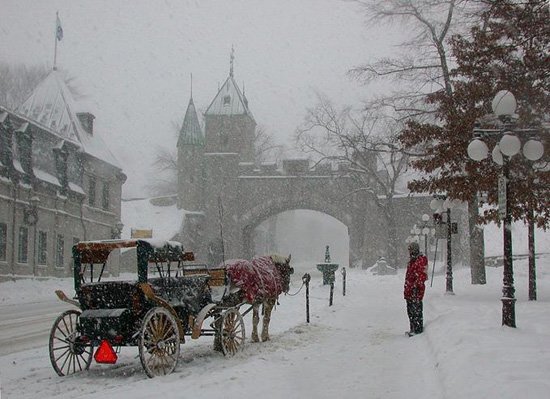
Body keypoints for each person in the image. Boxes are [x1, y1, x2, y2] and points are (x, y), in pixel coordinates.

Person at [404, 241, 428, 336]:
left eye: (410, 250)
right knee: (410, 311)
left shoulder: (420, 260)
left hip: (415, 291)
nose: (409, 252)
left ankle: (417, 329)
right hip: (410, 291)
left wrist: (415, 286)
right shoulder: (413, 261)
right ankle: (413, 328)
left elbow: (421, 275)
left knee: (416, 311)